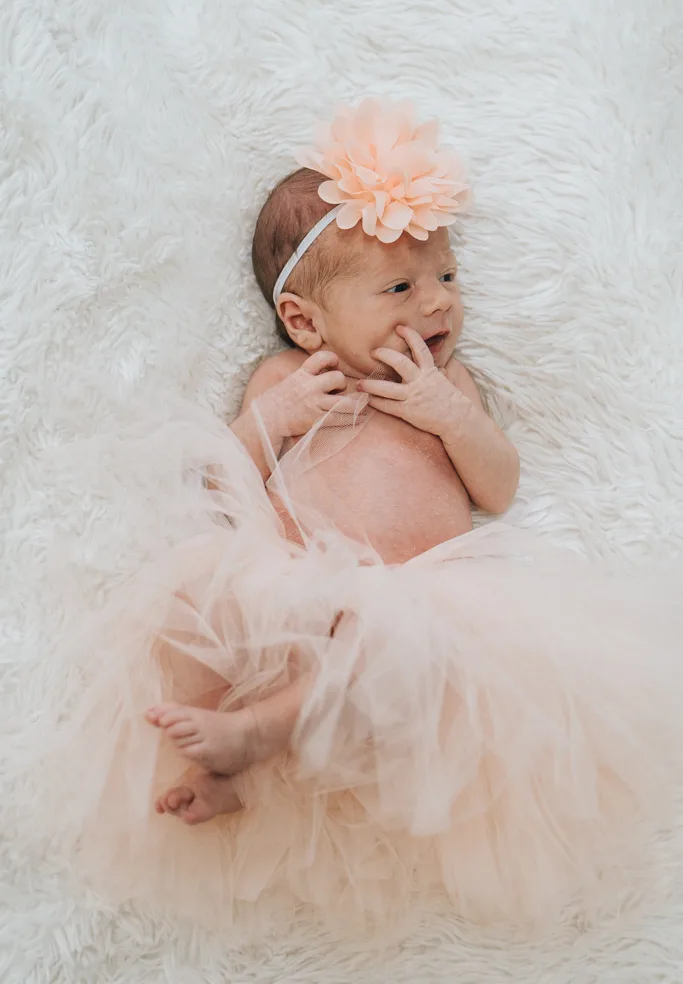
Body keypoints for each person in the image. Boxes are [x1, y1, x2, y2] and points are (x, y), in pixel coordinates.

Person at [43, 99, 683, 932]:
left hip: (421, 599)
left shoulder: (450, 389)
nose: (438, 305)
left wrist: (449, 418)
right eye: (400, 287)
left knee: (398, 647)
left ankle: (258, 731)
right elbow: (215, 486)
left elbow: (497, 489)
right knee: (198, 610)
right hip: (295, 590)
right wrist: (270, 424)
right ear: (304, 322)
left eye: (447, 278)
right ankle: (220, 768)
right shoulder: (283, 382)